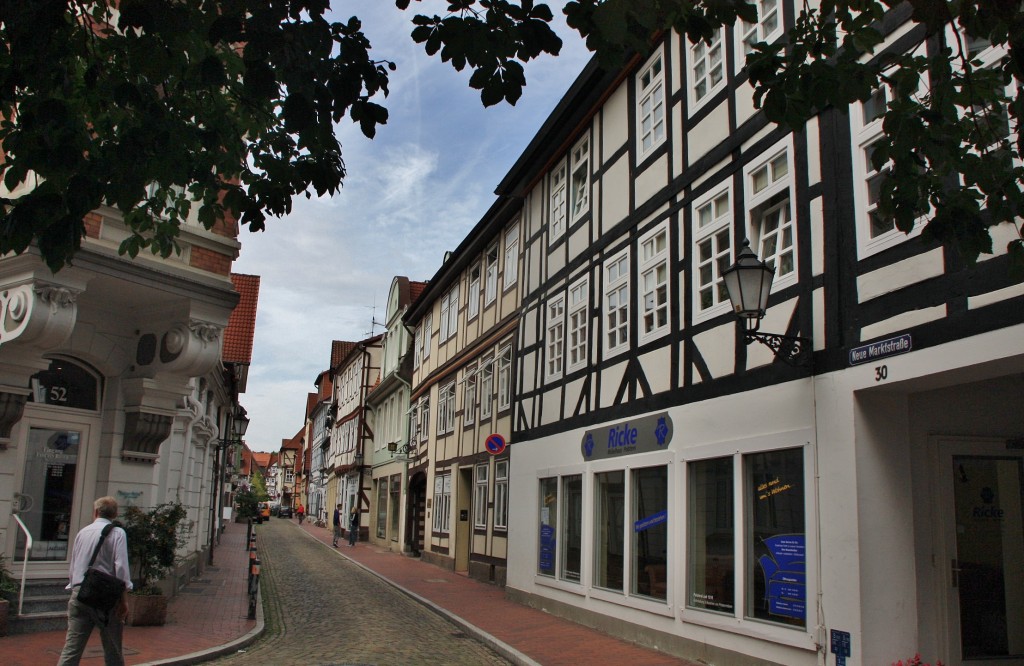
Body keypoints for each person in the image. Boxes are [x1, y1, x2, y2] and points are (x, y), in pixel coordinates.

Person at [57, 496, 133, 666]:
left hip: (81, 592)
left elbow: (75, 563)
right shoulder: (118, 533)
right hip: (106, 597)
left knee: (71, 649)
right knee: (113, 649)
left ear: (96, 512)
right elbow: (121, 567)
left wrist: (74, 587)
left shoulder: (82, 532)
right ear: (115, 514)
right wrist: (124, 599)